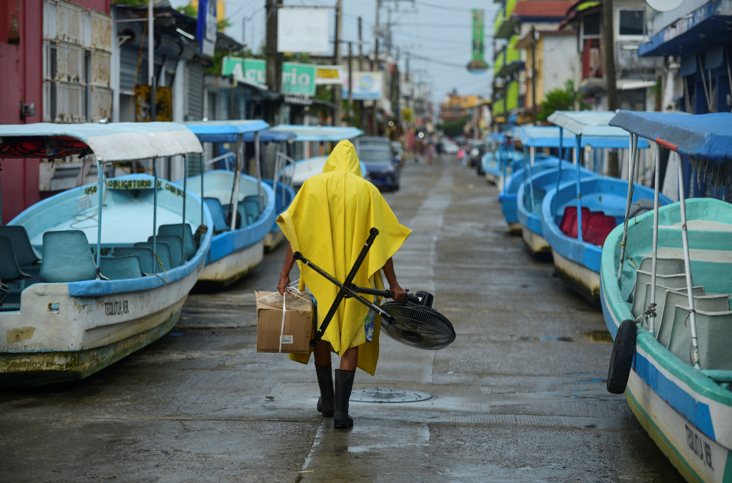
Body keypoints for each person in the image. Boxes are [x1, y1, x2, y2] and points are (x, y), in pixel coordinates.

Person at [277, 140, 411, 429]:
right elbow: (383, 245)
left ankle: (326, 401)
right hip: (358, 284)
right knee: (351, 339)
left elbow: (294, 236)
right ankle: (340, 412)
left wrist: (285, 274)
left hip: (320, 281)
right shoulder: (368, 191)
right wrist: (394, 285)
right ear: (355, 164)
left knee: (322, 334)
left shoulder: (312, 187)